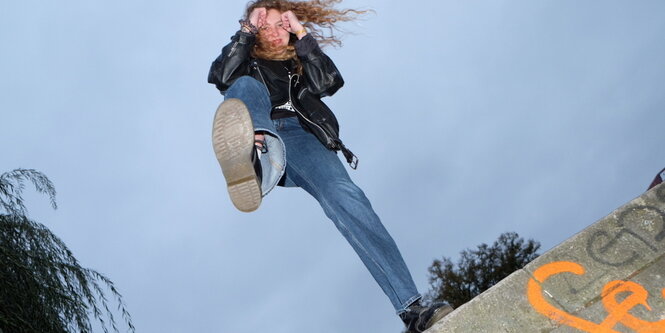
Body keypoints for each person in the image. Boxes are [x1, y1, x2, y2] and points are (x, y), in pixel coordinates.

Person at [207, 1, 452, 331]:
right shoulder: (247, 58)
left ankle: (411, 309)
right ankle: (248, 153)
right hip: (259, 128)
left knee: (347, 197)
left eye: (282, 26)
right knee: (243, 86)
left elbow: (329, 83)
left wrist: (302, 33)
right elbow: (221, 76)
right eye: (268, 27)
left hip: (300, 139)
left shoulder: (299, 60)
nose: (277, 33)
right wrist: (248, 29)